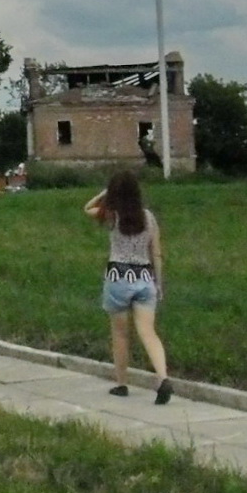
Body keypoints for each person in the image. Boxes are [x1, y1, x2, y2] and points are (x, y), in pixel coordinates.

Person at [84, 169, 172, 403]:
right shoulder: (149, 218)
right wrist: (159, 283)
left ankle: (121, 384)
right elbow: (157, 253)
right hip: (144, 277)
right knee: (148, 332)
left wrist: (104, 194)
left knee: (121, 335)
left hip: (118, 277)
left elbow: (87, 208)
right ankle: (163, 378)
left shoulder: (111, 215)